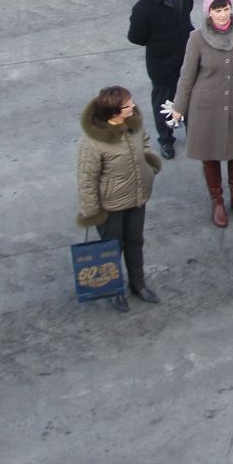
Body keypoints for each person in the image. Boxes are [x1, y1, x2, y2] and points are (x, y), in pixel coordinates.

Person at [173, 0, 233, 227]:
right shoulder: (196, 38)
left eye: (226, 9)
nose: (223, 15)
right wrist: (179, 107)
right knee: (210, 154)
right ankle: (217, 201)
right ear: (209, 12)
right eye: (218, 10)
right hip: (206, 106)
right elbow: (187, 76)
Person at [75, 85, 163, 311]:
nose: (132, 106)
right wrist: (92, 212)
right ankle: (114, 290)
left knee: (135, 242)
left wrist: (150, 165)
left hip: (136, 199)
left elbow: (145, 143)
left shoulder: (133, 126)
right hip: (111, 206)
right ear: (113, 112)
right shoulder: (93, 143)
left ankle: (138, 284)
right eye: (127, 105)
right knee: (112, 248)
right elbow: (87, 179)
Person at [126, 0, 193, 159]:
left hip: (187, 57)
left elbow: (186, 12)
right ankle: (166, 139)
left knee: (191, 96)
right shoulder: (144, 8)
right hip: (163, 64)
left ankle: (194, 133)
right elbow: (136, 37)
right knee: (164, 103)